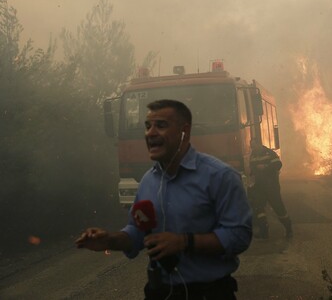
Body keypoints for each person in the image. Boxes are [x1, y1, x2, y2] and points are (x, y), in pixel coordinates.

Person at [75, 99, 252, 300]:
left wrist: (185, 242)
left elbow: (239, 236)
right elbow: (138, 231)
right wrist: (110, 240)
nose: (150, 133)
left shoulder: (220, 176)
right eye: (148, 126)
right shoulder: (148, 181)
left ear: (184, 131)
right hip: (159, 293)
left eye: (161, 125)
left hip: (210, 294)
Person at [248, 138, 292, 239]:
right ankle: (264, 231)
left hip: (271, 186)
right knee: (258, 207)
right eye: (251, 146)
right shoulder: (253, 156)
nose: (252, 148)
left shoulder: (269, 153)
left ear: (259, 145)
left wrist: (265, 167)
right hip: (259, 186)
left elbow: (278, 164)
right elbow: (252, 169)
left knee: (278, 207)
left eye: (254, 146)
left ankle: (288, 228)